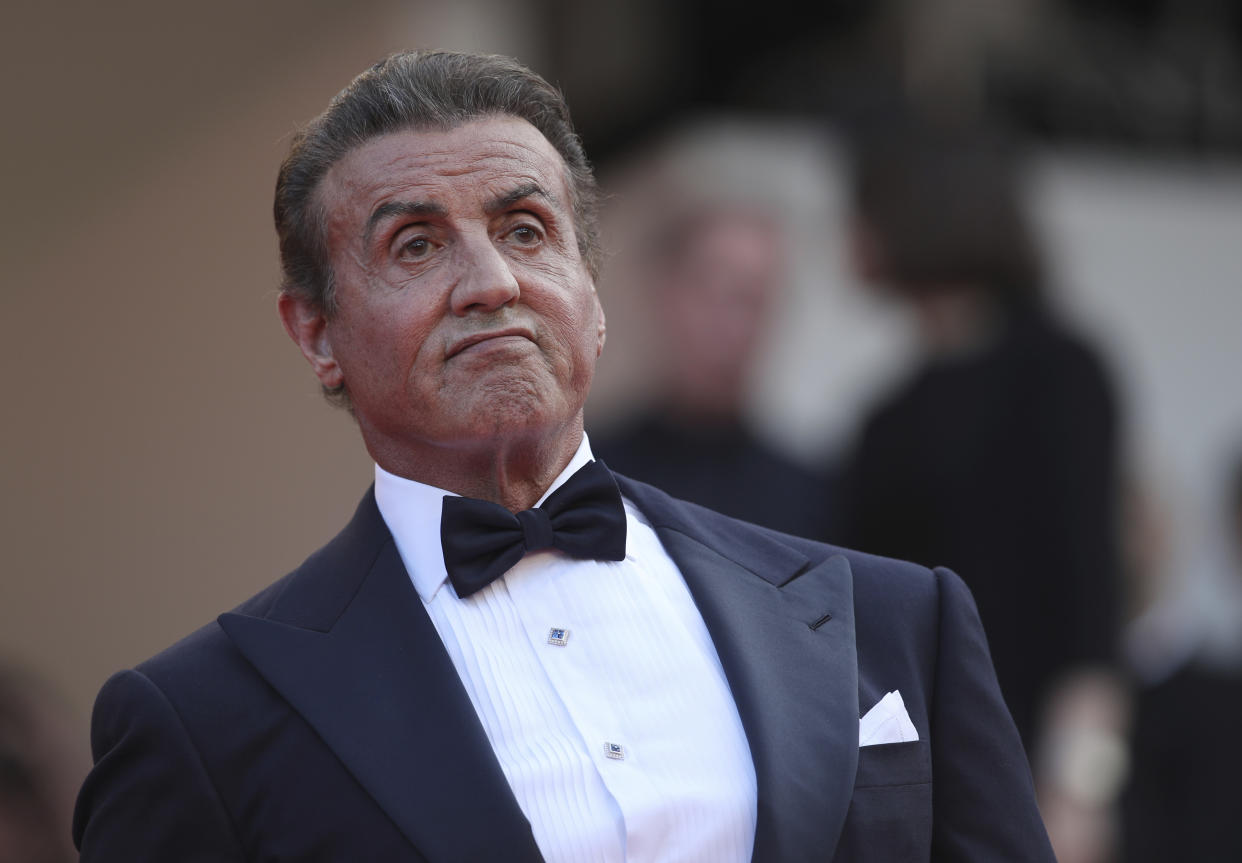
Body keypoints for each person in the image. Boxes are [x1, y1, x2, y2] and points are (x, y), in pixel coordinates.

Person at [73, 50, 1054, 861]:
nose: (490, 280)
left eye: (526, 228)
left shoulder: (898, 624)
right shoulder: (201, 723)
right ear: (316, 332)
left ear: (590, 288)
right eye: (415, 246)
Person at [595, 207, 834, 540]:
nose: (730, 324)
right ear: (664, 295)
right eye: (713, 289)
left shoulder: (813, 496)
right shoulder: (593, 475)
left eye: (752, 299)